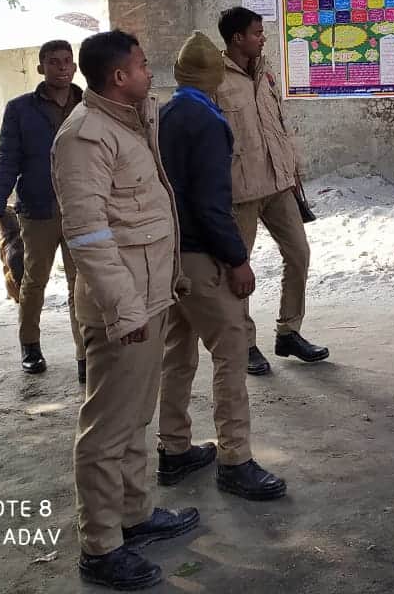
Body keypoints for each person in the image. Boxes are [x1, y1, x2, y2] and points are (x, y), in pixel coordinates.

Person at [51, 30, 198, 591]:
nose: (149, 72)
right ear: (118, 76)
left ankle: (135, 515)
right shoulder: (85, 136)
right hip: (123, 309)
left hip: (151, 295)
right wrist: (123, 308)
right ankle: (101, 547)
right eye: (141, 64)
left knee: (136, 417)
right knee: (106, 431)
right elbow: (87, 234)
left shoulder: (133, 120)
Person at [155, 31, 287, 501]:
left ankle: (173, 448)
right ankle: (235, 459)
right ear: (215, 78)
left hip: (168, 254)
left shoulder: (163, 115)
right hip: (201, 255)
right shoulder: (208, 121)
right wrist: (236, 259)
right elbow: (212, 203)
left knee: (177, 351)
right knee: (230, 354)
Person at [216, 7, 328, 376]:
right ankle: (245, 343)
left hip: (279, 185)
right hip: (240, 191)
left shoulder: (265, 74)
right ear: (237, 38)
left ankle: (288, 332)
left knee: (299, 253)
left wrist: (293, 173)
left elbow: (278, 127)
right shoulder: (215, 80)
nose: (263, 38)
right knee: (238, 270)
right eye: (257, 33)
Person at [0, 40, 86, 379]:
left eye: (67, 61)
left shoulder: (88, 104)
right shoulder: (20, 109)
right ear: (40, 68)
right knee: (34, 279)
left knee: (81, 284)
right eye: (54, 62)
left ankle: (85, 355)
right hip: (37, 209)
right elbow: (7, 160)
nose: (62, 67)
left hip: (82, 208)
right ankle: (30, 345)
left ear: (75, 66)